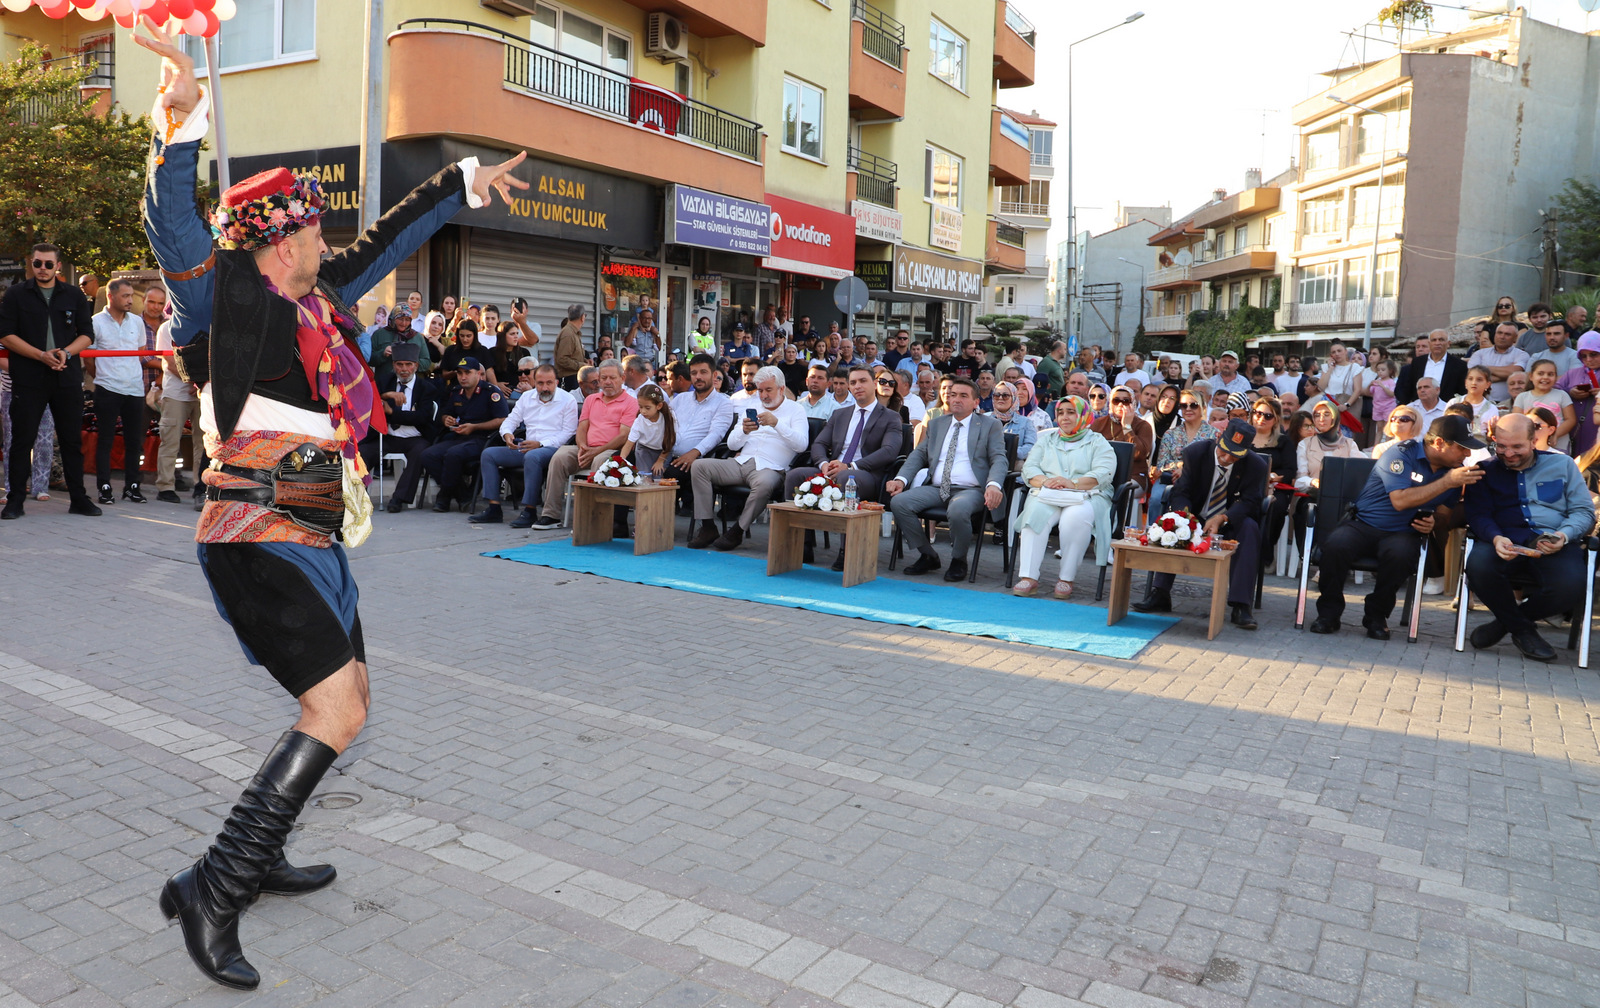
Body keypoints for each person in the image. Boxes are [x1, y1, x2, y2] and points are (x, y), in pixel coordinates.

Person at [134, 21, 530, 992]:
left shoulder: (321, 299)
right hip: (253, 532)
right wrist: (177, 133)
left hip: (311, 524)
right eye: (307, 228)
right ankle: (212, 889)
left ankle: (256, 859)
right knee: (338, 707)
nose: (323, 239)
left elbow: (391, 235)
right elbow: (175, 230)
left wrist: (462, 182)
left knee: (349, 696)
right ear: (269, 242)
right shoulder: (226, 301)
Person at [1309, 415, 1484, 638]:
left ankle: (1376, 616)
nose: (1467, 454)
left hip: (1403, 532)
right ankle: (1328, 613)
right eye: (1462, 448)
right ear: (1439, 443)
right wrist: (1448, 481)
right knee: (1336, 545)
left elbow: (1444, 516)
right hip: (1364, 523)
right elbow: (1399, 501)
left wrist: (1433, 523)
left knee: (1401, 555)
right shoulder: (1402, 453)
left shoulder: (1453, 471)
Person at [1463, 413, 1593, 659]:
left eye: (1517, 447)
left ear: (1534, 441)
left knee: (1571, 585)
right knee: (1478, 566)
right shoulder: (1484, 470)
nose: (1508, 454)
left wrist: (1563, 536)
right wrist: (1495, 537)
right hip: (1505, 539)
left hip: (1552, 539)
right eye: (1501, 446)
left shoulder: (1563, 465)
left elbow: (1583, 512)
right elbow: (1479, 515)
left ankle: (1505, 625)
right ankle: (1524, 632)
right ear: (1493, 440)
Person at [1131, 419, 1267, 630]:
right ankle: (1160, 593)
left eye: (1235, 455)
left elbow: (1251, 502)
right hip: (1197, 514)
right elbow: (1181, 492)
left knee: (1250, 529)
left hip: (1230, 518)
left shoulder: (1256, 465)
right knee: (1175, 522)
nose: (1227, 458)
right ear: (1218, 439)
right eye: (1224, 451)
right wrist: (1187, 518)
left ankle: (1241, 605)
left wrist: (1223, 518)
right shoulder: (1195, 453)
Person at [0, 242, 98, 519]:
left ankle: (79, 499)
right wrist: (40, 355)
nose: (42, 269)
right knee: (21, 440)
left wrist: (66, 353)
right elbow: (6, 334)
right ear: (32, 263)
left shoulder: (73, 295)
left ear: (57, 265)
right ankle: (15, 501)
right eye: (37, 263)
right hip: (29, 378)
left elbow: (87, 334)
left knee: (71, 441)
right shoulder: (16, 294)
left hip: (65, 377)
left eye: (48, 264)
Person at [887, 378, 1006, 582]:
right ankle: (928, 555)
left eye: (963, 395)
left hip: (972, 490)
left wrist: (994, 485)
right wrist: (901, 479)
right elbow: (918, 455)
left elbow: (999, 458)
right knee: (899, 502)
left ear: (976, 402)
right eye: (953, 395)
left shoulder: (989, 425)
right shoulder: (937, 424)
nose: (956, 399)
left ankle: (959, 560)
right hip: (937, 487)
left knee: (957, 509)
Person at [784, 364, 903, 569]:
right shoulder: (841, 414)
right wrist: (823, 465)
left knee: (846, 477)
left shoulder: (890, 416)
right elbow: (820, 444)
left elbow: (889, 451)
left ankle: (846, 550)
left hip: (867, 474)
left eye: (863, 381)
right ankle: (801, 545)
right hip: (834, 469)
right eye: (853, 382)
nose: (857, 386)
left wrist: (850, 465)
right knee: (795, 476)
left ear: (874, 384)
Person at [687, 365, 808, 551]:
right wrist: (743, 431)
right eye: (760, 390)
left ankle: (737, 530)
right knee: (699, 467)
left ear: (781, 389)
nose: (764, 395)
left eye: (769, 390)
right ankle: (708, 526)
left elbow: (801, 445)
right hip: (741, 461)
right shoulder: (752, 407)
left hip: (771, 467)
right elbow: (732, 445)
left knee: (764, 484)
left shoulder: (796, 410)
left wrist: (777, 424)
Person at [1010, 395, 1116, 599]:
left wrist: (1073, 483)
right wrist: (1044, 481)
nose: (1064, 417)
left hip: (1085, 495)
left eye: (1071, 412)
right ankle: (1029, 578)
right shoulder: (1047, 440)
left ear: (1083, 416)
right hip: (1049, 493)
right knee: (1034, 518)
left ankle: (1066, 578)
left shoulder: (1097, 441)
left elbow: (1104, 472)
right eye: (1060, 412)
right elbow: (1030, 467)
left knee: (1074, 519)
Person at [531, 359, 639, 530]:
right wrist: (582, 447)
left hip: (611, 450)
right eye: (603, 378)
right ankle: (551, 516)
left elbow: (624, 435)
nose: (607, 382)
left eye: (612, 377)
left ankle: (592, 519)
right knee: (559, 457)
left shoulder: (631, 402)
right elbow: (582, 427)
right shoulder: (591, 400)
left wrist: (596, 451)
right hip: (587, 448)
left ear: (622, 378)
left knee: (600, 462)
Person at [469, 363, 579, 527]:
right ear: (535, 382)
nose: (544, 387)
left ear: (556, 382)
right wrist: (507, 435)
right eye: (540, 383)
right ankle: (494, 508)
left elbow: (568, 434)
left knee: (533, 456)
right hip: (526, 447)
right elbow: (510, 421)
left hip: (552, 450)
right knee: (489, 454)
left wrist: (540, 444)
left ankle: (529, 510)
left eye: (549, 383)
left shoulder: (567, 400)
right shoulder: (527, 397)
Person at [87, 278, 154, 504]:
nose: (129, 300)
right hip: (107, 388)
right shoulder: (96, 322)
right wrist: (105, 378)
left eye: (130, 296)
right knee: (105, 439)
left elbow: (141, 351)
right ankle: (104, 487)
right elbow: (89, 360)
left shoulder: (136, 322)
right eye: (125, 296)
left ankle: (132, 487)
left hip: (135, 389)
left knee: (134, 441)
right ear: (111, 296)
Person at [420, 357, 510, 511]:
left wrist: (475, 427)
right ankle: (463, 495)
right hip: (460, 436)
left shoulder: (491, 392)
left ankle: (444, 497)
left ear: (478, 373)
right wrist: (446, 419)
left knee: (453, 454)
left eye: (467, 373)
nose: (463, 377)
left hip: (484, 438)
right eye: (460, 373)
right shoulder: (456, 392)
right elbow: (445, 412)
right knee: (428, 454)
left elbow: (503, 420)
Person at [373, 344, 443, 512]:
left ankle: (399, 498)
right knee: (362, 451)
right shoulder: (384, 382)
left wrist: (391, 412)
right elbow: (368, 400)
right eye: (399, 364)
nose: (404, 369)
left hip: (416, 437)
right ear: (393, 365)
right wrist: (386, 395)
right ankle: (350, 495)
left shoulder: (427, 388)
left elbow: (422, 417)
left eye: (408, 364)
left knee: (420, 454)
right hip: (387, 436)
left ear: (416, 366)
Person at [153, 316, 202, 504]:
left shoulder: (204, 323)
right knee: (170, 440)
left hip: (200, 392)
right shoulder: (167, 328)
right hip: (176, 393)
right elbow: (171, 362)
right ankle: (165, 487)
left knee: (203, 443)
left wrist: (199, 384)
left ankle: (200, 487)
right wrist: (196, 382)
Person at [1090, 385, 1151, 493]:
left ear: (1133, 403)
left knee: (1122, 491)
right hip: (1103, 473)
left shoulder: (1143, 425)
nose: (1120, 404)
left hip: (1132, 475)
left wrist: (1127, 427)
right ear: (1110, 403)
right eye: (1116, 400)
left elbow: (1139, 454)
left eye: (1126, 401)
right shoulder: (1099, 423)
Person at [1296, 400, 1363, 494]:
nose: (1321, 419)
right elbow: (1300, 480)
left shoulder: (1349, 444)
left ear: (1335, 417)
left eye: (1326, 414)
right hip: (1315, 497)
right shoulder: (1305, 444)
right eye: (1317, 415)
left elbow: (1357, 476)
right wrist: (1312, 481)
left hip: (1343, 497)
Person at [1513, 359, 1575, 453]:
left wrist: (1555, 434)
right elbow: (1517, 421)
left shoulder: (1562, 395)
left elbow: (1571, 419)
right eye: (1540, 373)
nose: (1545, 377)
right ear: (1531, 376)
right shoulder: (1522, 397)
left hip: (1558, 445)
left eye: (1550, 374)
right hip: (1530, 446)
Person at [619, 382, 675, 479]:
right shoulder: (640, 420)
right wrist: (621, 461)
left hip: (664, 450)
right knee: (645, 478)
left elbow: (670, 440)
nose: (643, 411)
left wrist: (660, 460)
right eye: (640, 407)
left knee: (658, 476)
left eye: (647, 408)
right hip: (644, 449)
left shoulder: (669, 417)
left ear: (659, 406)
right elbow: (629, 444)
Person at [1469, 322, 1529, 403]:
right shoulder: (1479, 354)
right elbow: (1474, 376)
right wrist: (1506, 374)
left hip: (1509, 404)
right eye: (1499, 333)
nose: (1502, 337)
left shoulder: (1522, 355)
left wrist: (1484, 368)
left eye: (1507, 334)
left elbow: (1515, 372)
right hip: (1481, 402)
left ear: (1515, 338)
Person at [987, 380, 1038, 463]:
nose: (1000, 398)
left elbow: (1031, 447)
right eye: (997, 395)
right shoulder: (983, 419)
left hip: (1014, 466)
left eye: (1005, 395)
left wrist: (1009, 452)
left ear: (1013, 398)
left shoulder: (1026, 422)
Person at [1448, 365, 1500, 439]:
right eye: (1470, 379)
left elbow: (1490, 439)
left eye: (1479, 380)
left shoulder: (1491, 408)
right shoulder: (1453, 403)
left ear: (1488, 384)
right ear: (1466, 382)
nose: (1474, 383)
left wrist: (1492, 433)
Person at [554, 303, 587, 390]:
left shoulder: (573, 332)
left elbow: (573, 356)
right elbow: (562, 359)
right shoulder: (568, 334)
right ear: (582, 317)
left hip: (574, 378)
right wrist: (582, 365)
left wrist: (585, 361)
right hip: (568, 380)